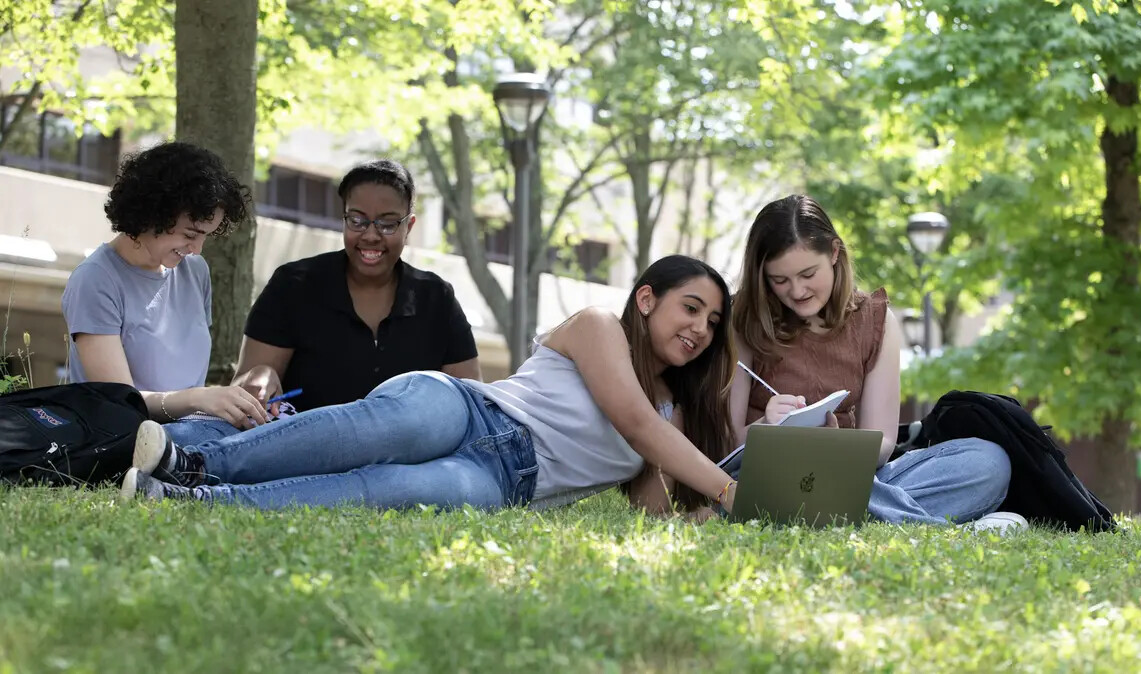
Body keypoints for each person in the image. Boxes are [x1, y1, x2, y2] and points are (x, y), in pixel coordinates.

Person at [120, 255, 740, 519]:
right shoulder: (599, 325)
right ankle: (193, 459)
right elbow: (635, 424)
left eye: (713, 323)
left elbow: (650, 508)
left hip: (506, 482)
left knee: (381, 489)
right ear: (647, 299)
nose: (700, 329)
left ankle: (189, 500)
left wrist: (712, 508)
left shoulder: (674, 414)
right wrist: (728, 487)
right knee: (360, 436)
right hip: (469, 411)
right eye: (690, 309)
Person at [730, 194, 1018, 527]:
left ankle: (832, 511)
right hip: (766, 473)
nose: (797, 291)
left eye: (808, 274)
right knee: (772, 485)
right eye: (779, 280)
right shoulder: (744, 320)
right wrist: (768, 428)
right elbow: (725, 442)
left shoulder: (876, 320)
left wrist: (836, 445)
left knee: (989, 461)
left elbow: (881, 442)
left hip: (855, 477)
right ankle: (938, 527)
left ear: (835, 253)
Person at [167, 159, 483, 446]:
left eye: (387, 224)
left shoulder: (436, 298)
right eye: (357, 220)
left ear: (409, 226)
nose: (370, 236)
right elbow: (248, 394)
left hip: (405, 452)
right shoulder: (294, 285)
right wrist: (261, 376)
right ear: (343, 218)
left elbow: (471, 404)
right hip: (300, 443)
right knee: (204, 430)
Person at [62, 141, 269, 433]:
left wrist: (229, 401)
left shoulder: (195, 271)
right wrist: (199, 399)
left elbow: (185, 381)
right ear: (152, 215)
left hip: (194, 430)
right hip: (132, 438)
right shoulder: (95, 280)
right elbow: (119, 402)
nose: (196, 249)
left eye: (205, 236)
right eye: (190, 234)